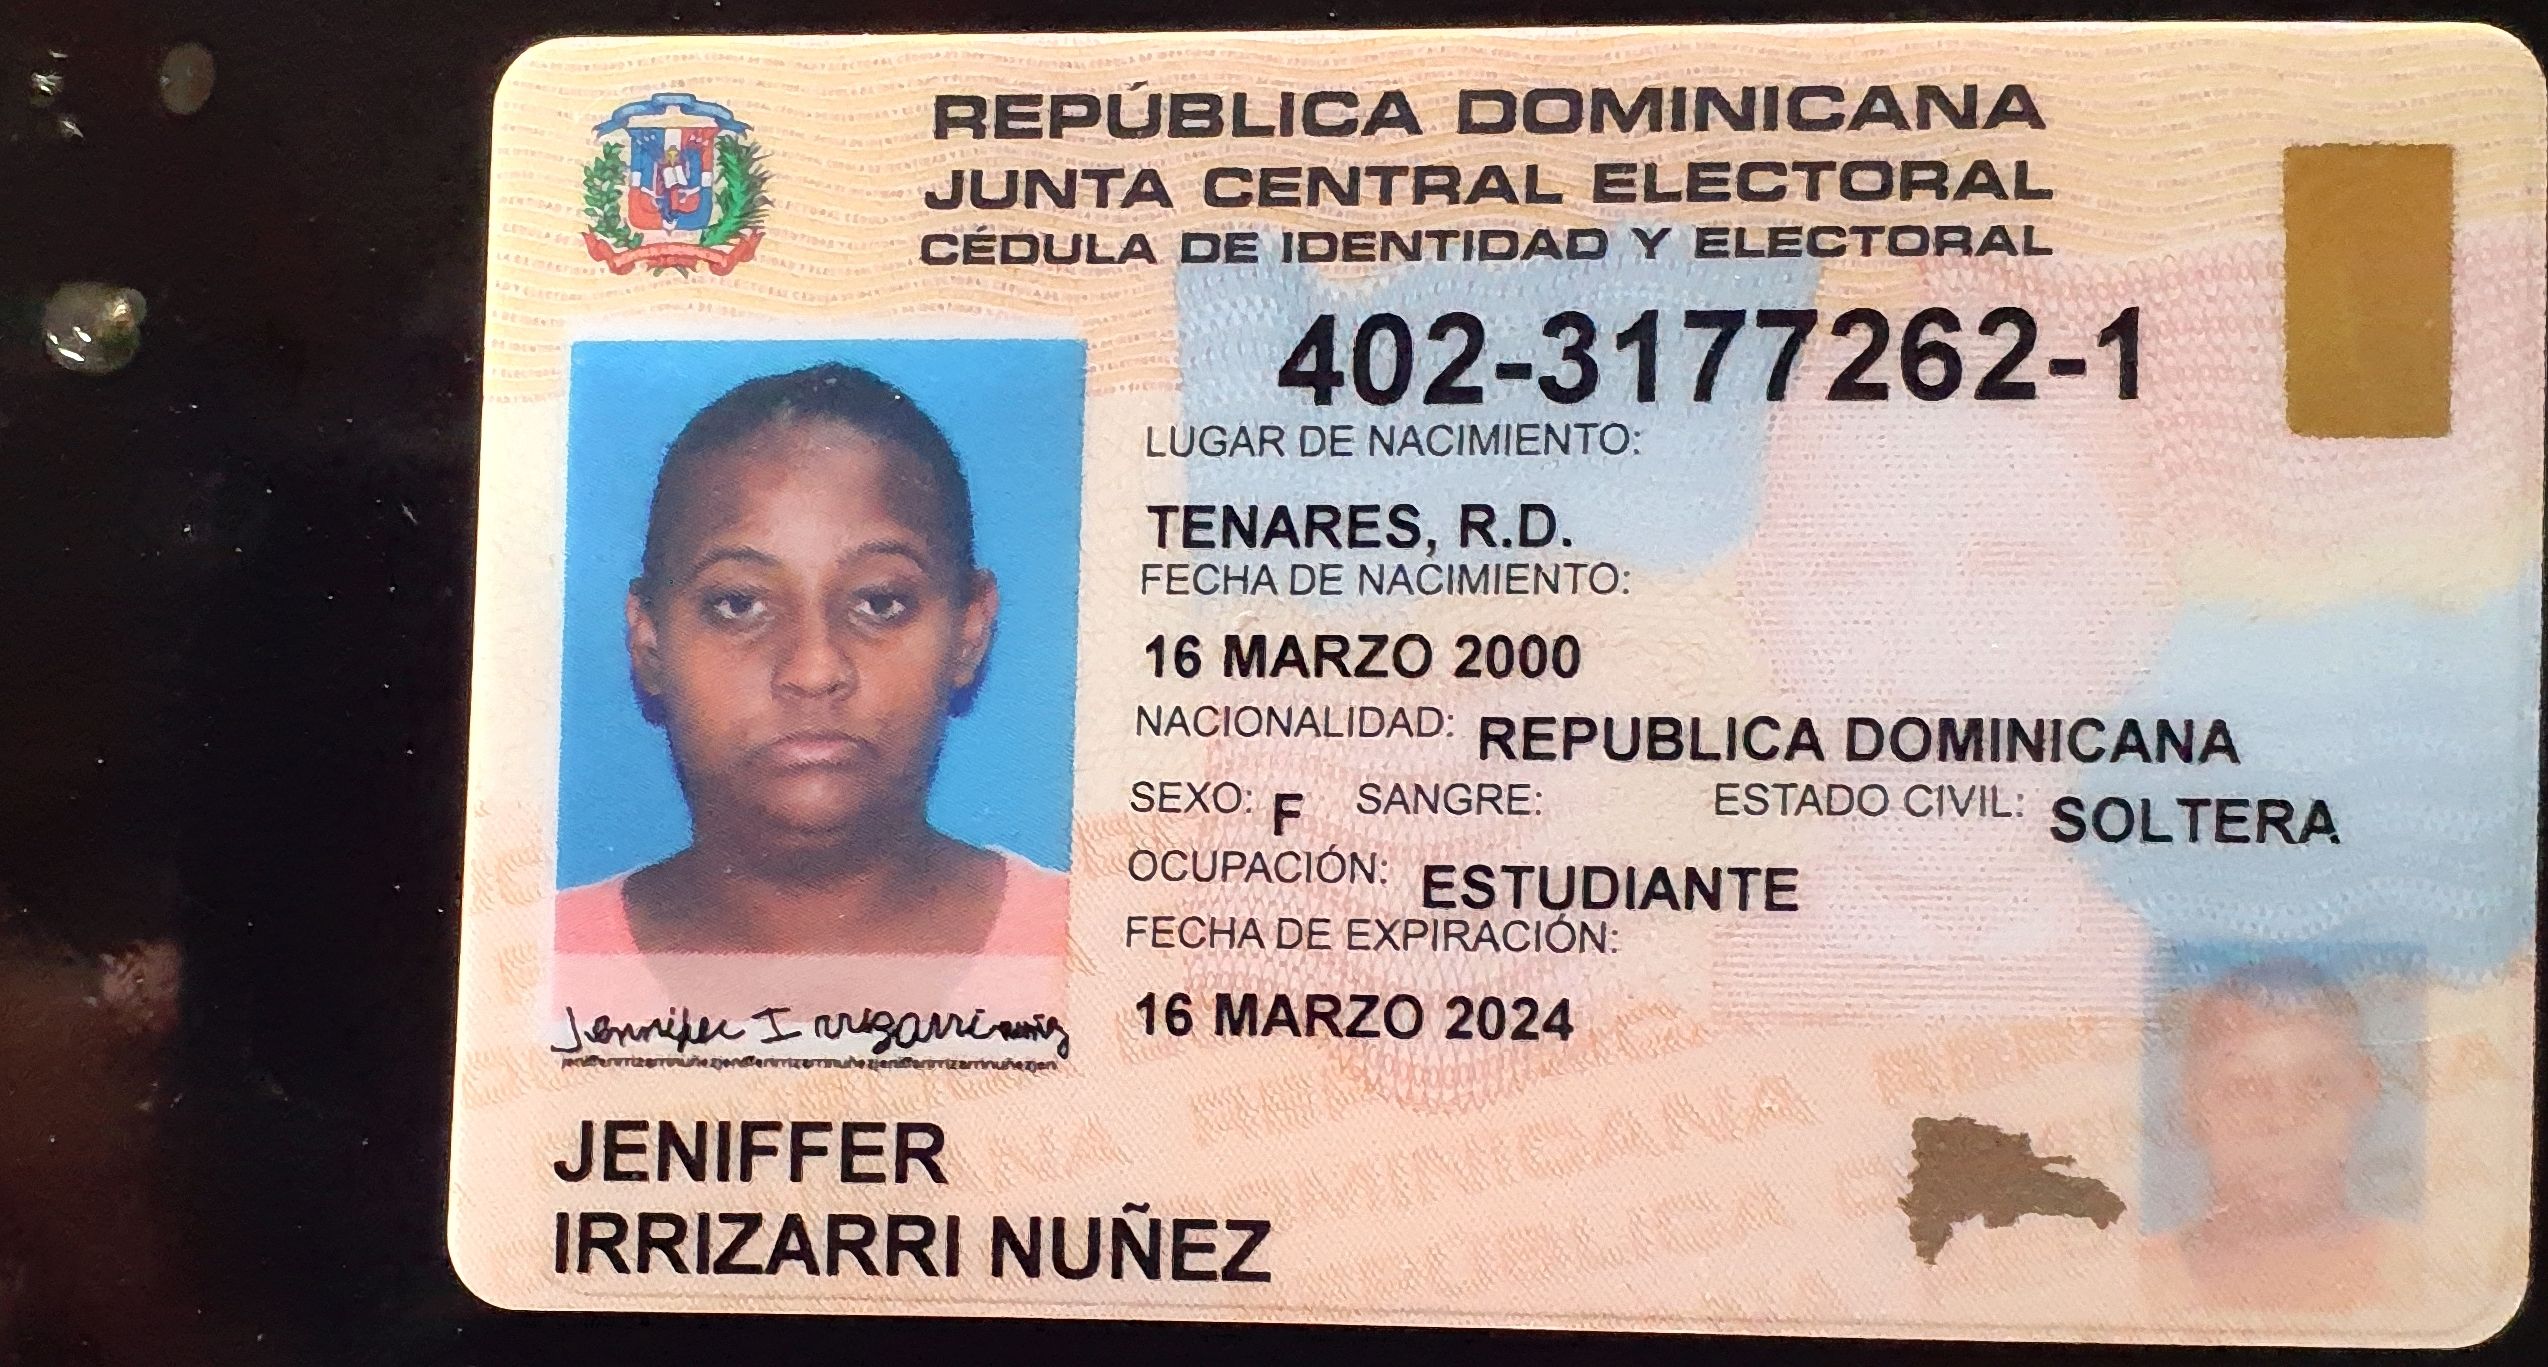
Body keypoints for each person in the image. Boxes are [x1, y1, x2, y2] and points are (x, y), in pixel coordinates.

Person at [556, 363, 1066, 970]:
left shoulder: (1094, 946)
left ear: (969, 632)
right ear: (649, 642)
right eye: (738, 604)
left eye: (880, 603)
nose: (814, 670)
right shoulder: (529, 963)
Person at [2142, 959, 2412, 1313]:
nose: (2284, 1119)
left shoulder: (2431, 1272)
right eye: (2245, 1087)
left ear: (2366, 1089)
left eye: (2317, 1084)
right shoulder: (2125, 1280)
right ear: (2191, 1102)